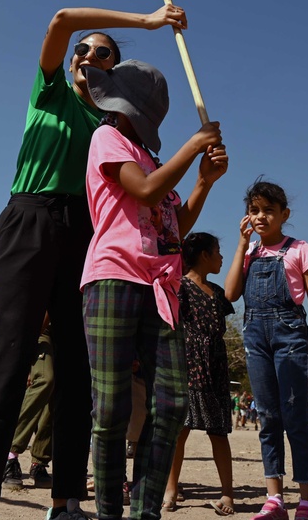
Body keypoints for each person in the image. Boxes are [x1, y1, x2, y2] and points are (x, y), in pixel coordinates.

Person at [0, 3, 187, 520]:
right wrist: (149, 22)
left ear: (113, 71)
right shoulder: (50, 91)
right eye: (82, 50)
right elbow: (62, 18)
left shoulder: (114, 128)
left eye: (101, 53)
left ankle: (65, 501)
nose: (86, 54)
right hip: (30, 220)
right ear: (69, 61)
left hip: (85, 234)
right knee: (9, 353)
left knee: (76, 367)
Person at [80, 59, 227, 520]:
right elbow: (142, 191)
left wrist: (204, 181)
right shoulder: (108, 138)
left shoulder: (155, 161)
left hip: (162, 287)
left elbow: (173, 227)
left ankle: (145, 510)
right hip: (112, 278)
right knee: (111, 407)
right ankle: (108, 512)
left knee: (171, 401)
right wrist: (193, 147)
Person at [224, 180, 308, 520]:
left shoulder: (299, 249)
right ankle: (274, 498)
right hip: (255, 337)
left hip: (290, 336)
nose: (260, 216)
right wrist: (241, 244)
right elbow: (230, 294)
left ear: (284, 214)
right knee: (267, 416)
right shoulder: (250, 252)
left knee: (296, 415)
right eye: (254, 210)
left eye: (269, 210)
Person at [163, 233, 234, 516]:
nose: (221, 257)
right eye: (217, 252)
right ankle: (170, 489)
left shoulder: (217, 293)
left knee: (219, 432)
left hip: (215, 367)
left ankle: (227, 493)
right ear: (204, 255)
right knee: (180, 431)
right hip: (187, 365)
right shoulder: (179, 287)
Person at [3, 320, 54, 491]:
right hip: (42, 329)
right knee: (46, 379)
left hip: (70, 333)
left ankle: (39, 461)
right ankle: (9, 453)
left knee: (56, 393)